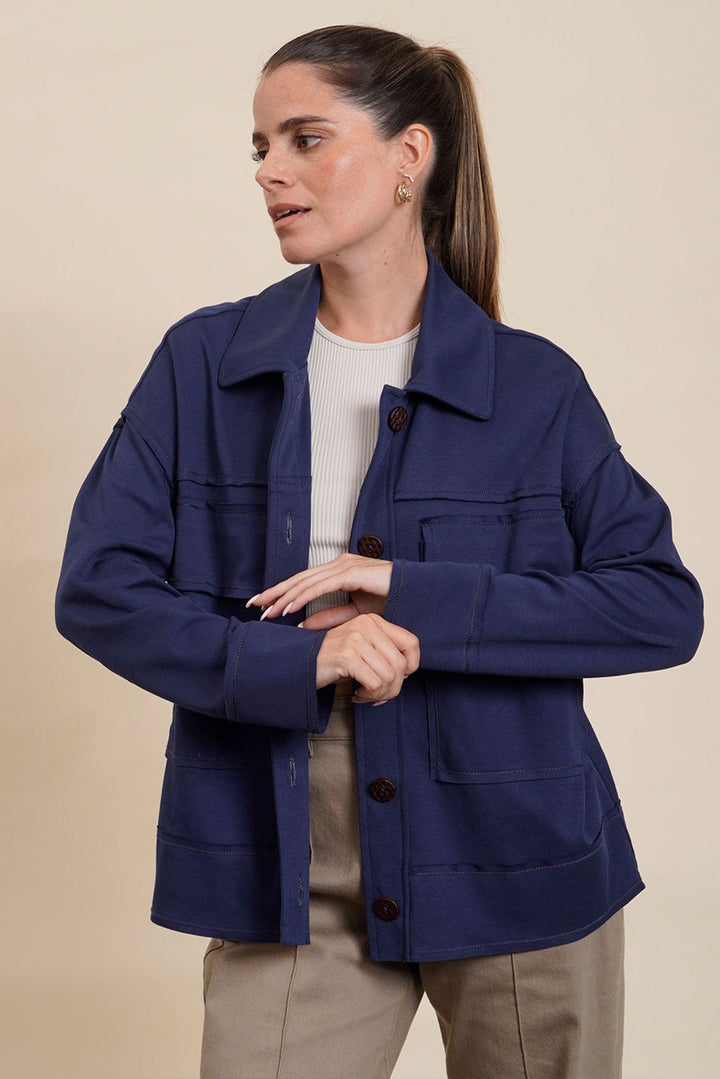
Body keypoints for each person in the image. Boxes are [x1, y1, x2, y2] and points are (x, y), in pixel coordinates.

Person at [55, 23, 704, 1079]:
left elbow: (659, 607)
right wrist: (302, 654)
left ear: (410, 156)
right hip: (285, 843)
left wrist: (409, 591)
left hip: (518, 849)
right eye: (260, 146)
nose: (270, 171)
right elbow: (99, 588)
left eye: (306, 139)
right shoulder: (202, 364)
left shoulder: (533, 386)